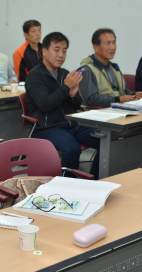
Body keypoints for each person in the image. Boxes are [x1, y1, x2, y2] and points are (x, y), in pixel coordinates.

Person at [25, 32, 100, 179]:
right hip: (47, 128)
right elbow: (45, 104)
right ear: (44, 51)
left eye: (64, 51)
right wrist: (65, 88)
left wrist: (72, 96)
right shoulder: (35, 76)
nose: (61, 55)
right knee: (72, 149)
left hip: (70, 125)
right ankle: (66, 186)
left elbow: (76, 105)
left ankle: (94, 179)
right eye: (57, 50)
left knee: (104, 139)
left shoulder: (64, 74)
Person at [78, 28, 142, 107]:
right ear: (96, 47)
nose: (112, 47)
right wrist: (118, 99)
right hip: (100, 113)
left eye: (114, 43)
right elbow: (90, 98)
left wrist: (135, 95)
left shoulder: (114, 67)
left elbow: (123, 92)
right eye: (108, 43)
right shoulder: (87, 69)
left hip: (118, 108)